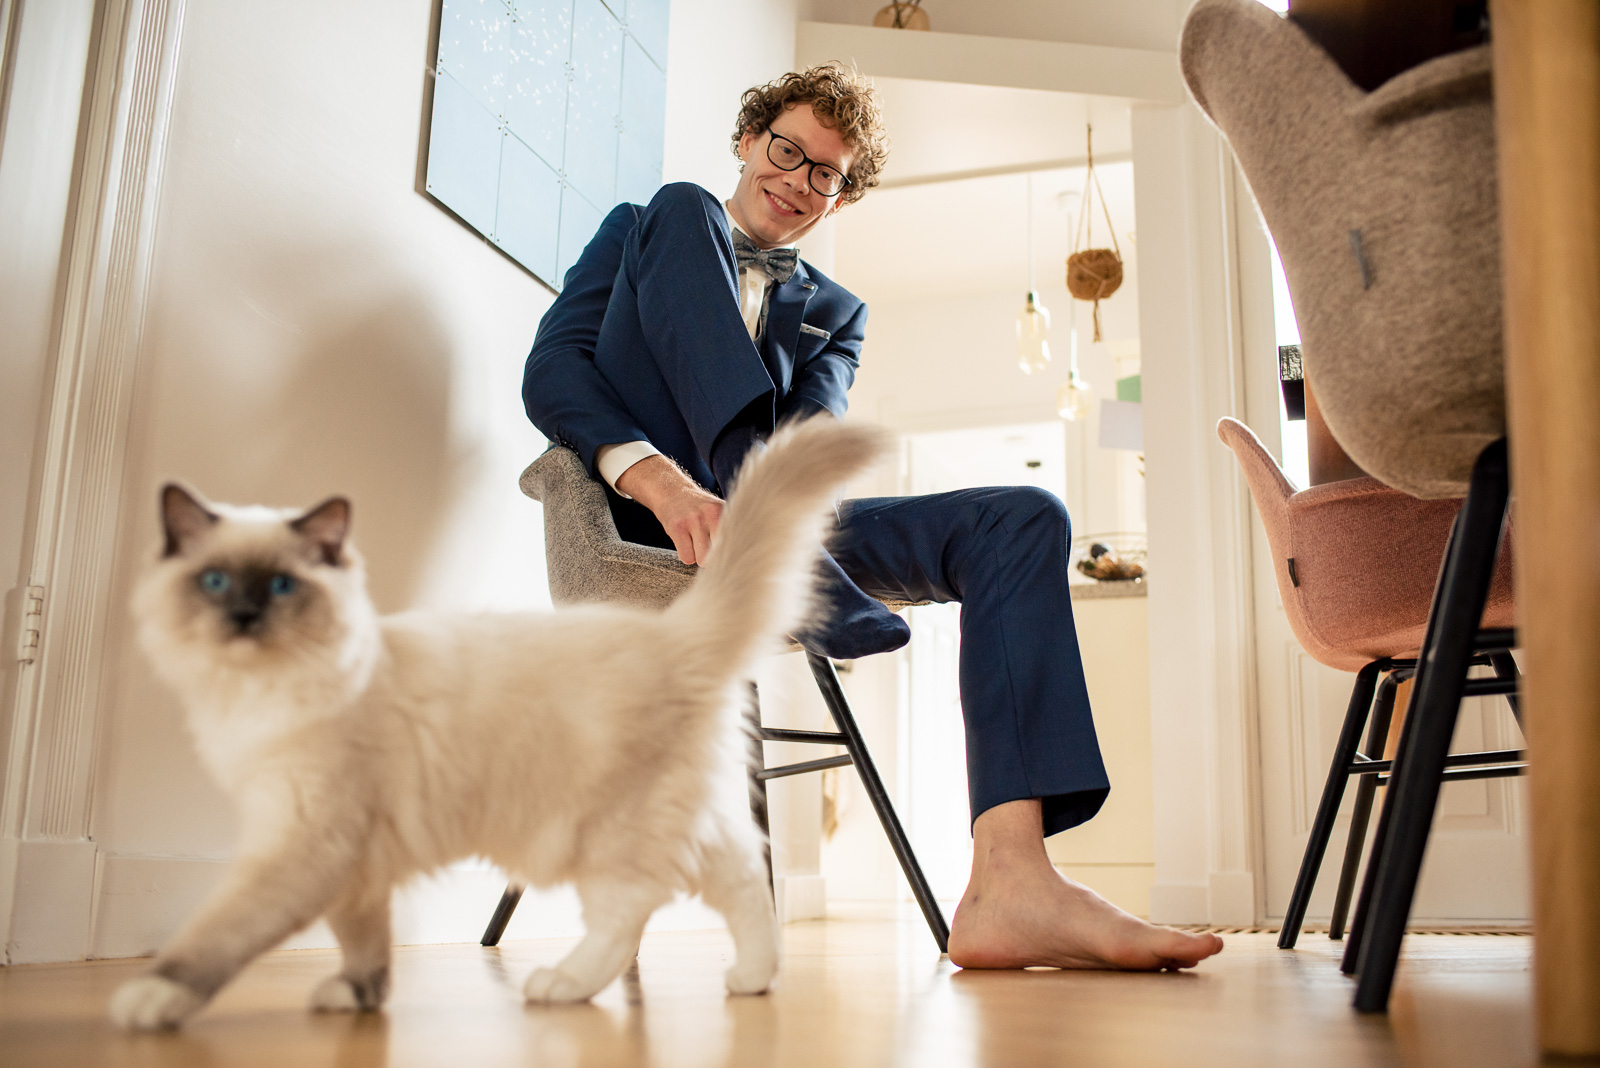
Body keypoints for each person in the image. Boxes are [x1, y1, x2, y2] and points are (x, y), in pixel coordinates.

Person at [522, 63, 1222, 971]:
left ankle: (1014, 881)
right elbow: (555, 372)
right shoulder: (656, 225)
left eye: (827, 174)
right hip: (649, 524)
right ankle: (787, 551)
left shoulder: (835, 313)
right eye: (787, 150)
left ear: (841, 199)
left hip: (782, 519)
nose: (800, 180)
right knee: (683, 204)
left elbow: (811, 442)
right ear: (748, 140)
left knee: (1024, 516)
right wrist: (657, 479)